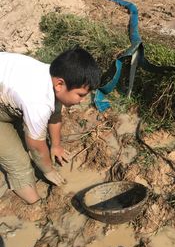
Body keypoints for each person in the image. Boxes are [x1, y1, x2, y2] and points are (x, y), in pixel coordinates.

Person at [0, 47, 101, 204]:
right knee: (19, 163)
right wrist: (48, 171)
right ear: (59, 84)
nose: (82, 100)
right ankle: (35, 205)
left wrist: (56, 145)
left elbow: (55, 114)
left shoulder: (53, 75)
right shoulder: (38, 102)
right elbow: (35, 147)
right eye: (80, 95)